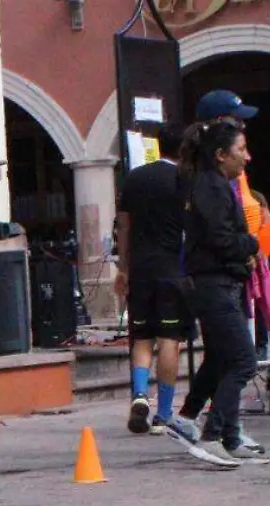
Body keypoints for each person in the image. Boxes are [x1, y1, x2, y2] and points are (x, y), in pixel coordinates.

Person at [173, 120, 261, 468]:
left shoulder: (220, 184)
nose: (247, 157)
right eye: (241, 150)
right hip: (213, 283)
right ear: (221, 154)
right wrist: (250, 243)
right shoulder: (210, 187)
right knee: (243, 361)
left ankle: (228, 436)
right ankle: (212, 434)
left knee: (223, 358)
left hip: (224, 280)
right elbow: (221, 238)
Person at [113, 124, 189, 435]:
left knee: (142, 336)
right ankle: (165, 411)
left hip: (140, 267)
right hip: (172, 268)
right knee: (170, 340)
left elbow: (124, 227)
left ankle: (141, 394)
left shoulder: (135, 178)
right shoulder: (185, 180)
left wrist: (123, 268)